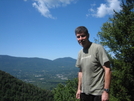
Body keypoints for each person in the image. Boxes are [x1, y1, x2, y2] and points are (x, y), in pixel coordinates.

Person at [75, 26, 111, 101]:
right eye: (78, 37)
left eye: (83, 36)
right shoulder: (80, 53)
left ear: (88, 35)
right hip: (84, 92)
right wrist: (79, 89)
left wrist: (106, 91)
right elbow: (81, 72)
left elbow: (107, 69)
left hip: (98, 92)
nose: (80, 39)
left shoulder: (98, 48)